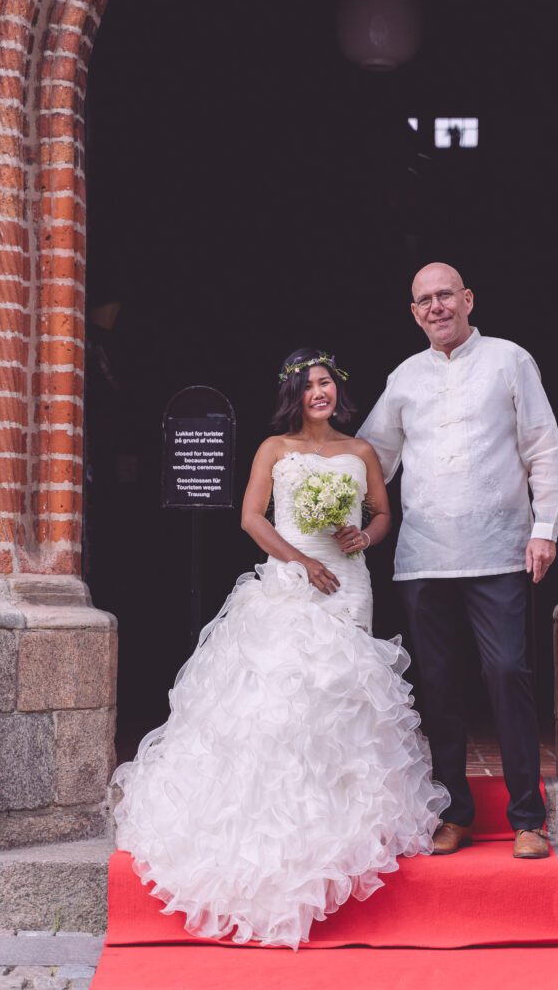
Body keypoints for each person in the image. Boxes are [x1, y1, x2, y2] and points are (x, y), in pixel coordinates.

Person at [112, 348, 448, 950]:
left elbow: (382, 513)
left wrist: (361, 536)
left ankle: (347, 821)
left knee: (343, 692)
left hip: (349, 583)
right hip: (292, 581)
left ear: (336, 391)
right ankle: (284, 827)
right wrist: (299, 563)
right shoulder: (274, 449)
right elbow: (250, 517)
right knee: (285, 697)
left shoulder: (361, 451)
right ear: (292, 396)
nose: (317, 393)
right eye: (307, 386)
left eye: (324, 383)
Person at [357, 263, 558, 861]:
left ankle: (528, 816)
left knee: (506, 675)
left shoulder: (509, 360)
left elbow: (542, 447)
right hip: (423, 557)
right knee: (440, 687)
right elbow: (375, 459)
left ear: (468, 299)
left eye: (446, 295)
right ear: (414, 312)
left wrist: (544, 528)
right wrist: (315, 488)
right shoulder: (404, 378)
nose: (436, 307)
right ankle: (455, 813)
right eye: (424, 300)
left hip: (499, 549)